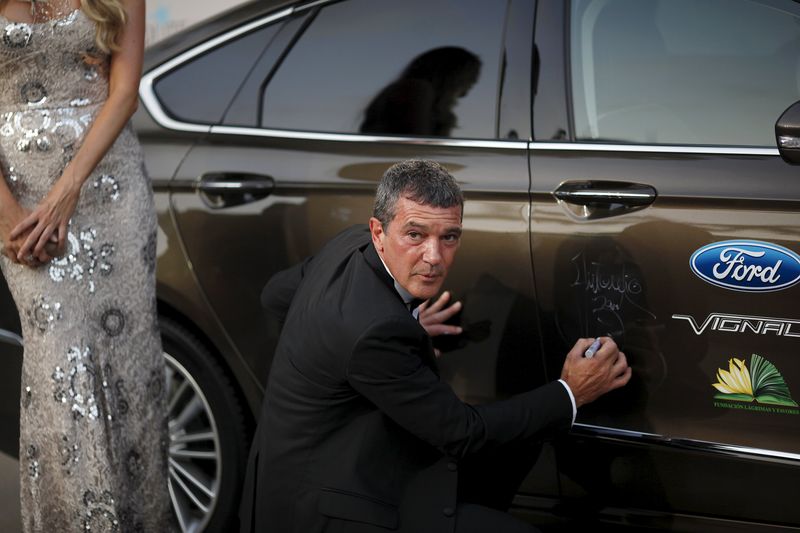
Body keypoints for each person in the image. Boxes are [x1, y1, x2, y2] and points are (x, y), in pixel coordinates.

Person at [239, 159, 631, 533]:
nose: (434, 257)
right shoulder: (373, 332)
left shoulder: (348, 246)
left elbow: (275, 295)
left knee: (518, 449)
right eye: (415, 235)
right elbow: (463, 434)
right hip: (327, 513)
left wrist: (385, 337)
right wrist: (571, 392)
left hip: (285, 476)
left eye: (449, 237)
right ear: (379, 231)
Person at [0, 0, 172, 530]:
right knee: (61, 371)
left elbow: (124, 94)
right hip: (20, 204)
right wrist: (7, 216)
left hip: (108, 195)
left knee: (129, 371)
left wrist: (66, 193)